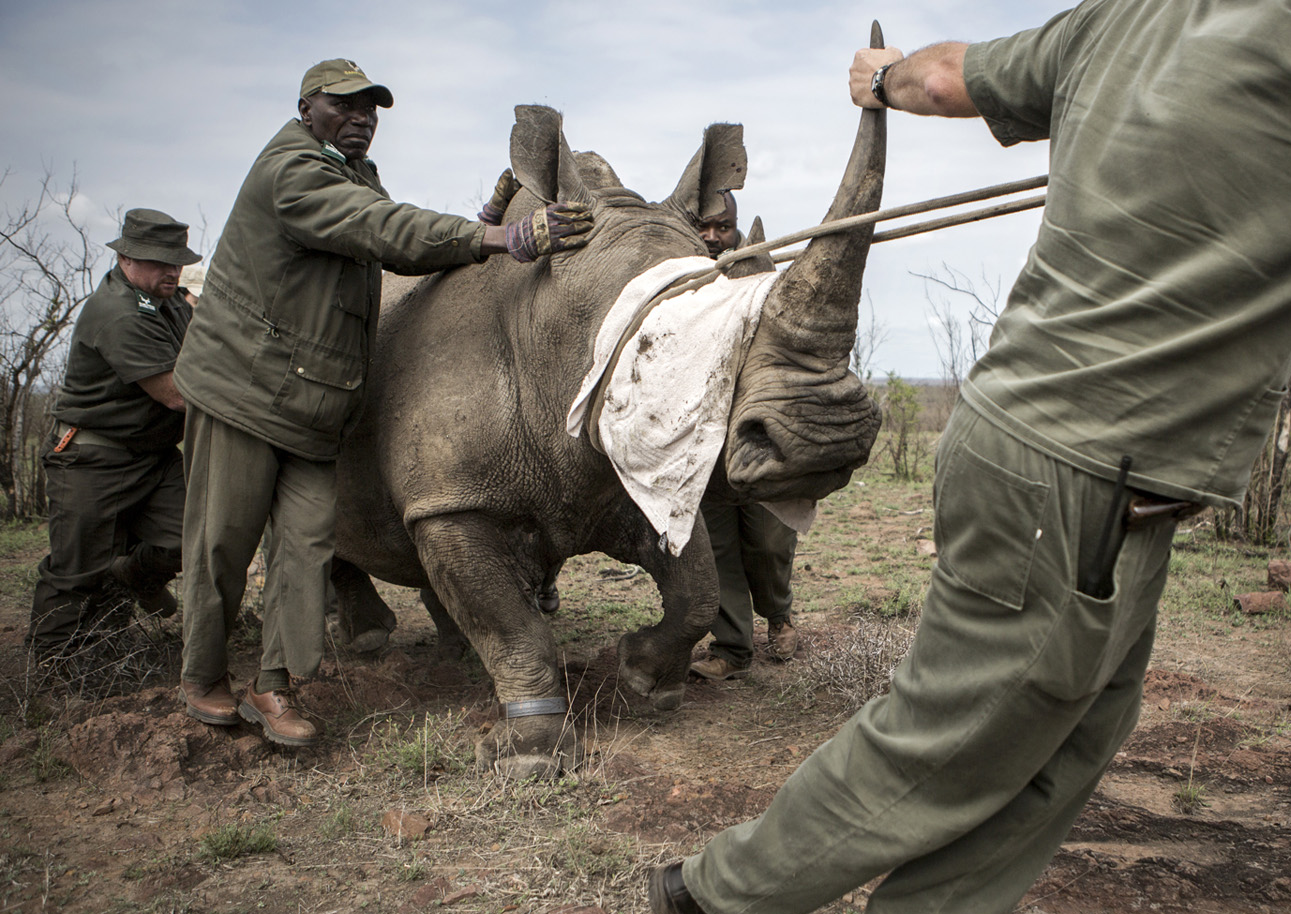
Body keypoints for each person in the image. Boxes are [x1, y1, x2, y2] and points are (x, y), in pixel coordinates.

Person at [648, 3, 1291, 914]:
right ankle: (723, 896)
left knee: (1073, 729)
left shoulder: (1139, 15)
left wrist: (878, 78)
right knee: (953, 733)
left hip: (1057, 461)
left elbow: (943, 77)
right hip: (1081, 477)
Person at [173, 59, 593, 745]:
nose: (362, 117)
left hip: (315, 406)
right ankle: (202, 676)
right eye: (346, 105)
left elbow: (391, 243)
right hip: (245, 393)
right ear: (307, 107)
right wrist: (502, 237)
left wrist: (482, 222)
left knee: (308, 548)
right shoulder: (292, 171)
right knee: (223, 540)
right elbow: (381, 228)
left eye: (372, 108)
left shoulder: (353, 176)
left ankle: (273, 686)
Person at [29, 209, 200, 662]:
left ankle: (133, 581)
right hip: (93, 459)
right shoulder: (120, 313)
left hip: (153, 455)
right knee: (75, 572)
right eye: (161, 261)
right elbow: (177, 395)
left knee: (196, 532)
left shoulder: (166, 301)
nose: (173, 270)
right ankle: (49, 673)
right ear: (126, 258)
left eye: (177, 261)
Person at [689, 190, 801, 681]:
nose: (713, 237)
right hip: (703, 444)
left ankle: (779, 617)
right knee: (716, 548)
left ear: (737, 229)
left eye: (723, 226)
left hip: (755, 438)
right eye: (704, 227)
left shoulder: (761, 281)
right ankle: (732, 647)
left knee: (769, 540)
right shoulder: (679, 284)